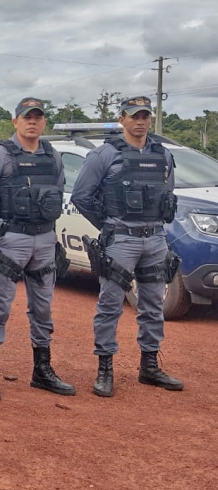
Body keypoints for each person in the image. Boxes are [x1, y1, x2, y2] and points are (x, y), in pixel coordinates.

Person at [71, 96, 183, 396]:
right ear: (122, 119)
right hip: (121, 239)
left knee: (152, 305)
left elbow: (166, 194)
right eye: (135, 116)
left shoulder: (163, 155)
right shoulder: (104, 155)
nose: (141, 121)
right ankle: (104, 369)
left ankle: (149, 366)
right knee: (110, 306)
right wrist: (109, 225)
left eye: (146, 115)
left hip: (155, 238)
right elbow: (81, 196)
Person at [0, 97, 75, 400]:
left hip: (44, 239)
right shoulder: (0, 155)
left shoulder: (52, 156)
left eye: (38, 117)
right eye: (27, 117)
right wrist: (1, 221)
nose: (32, 122)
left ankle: (42, 371)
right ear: (15, 121)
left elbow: (58, 188)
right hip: (11, 239)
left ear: (44, 123)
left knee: (42, 308)